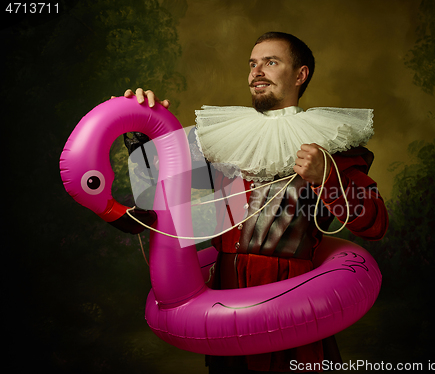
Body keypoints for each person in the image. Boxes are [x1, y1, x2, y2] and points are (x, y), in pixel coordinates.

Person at [120, 32, 388, 373]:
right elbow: (161, 186)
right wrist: (142, 127)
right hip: (225, 300)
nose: (256, 71)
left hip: (292, 301)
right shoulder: (226, 140)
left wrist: (327, 176)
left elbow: (376, 224)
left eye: (271, 62)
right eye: (252, 63)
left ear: (300, 75)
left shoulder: (333, 144)